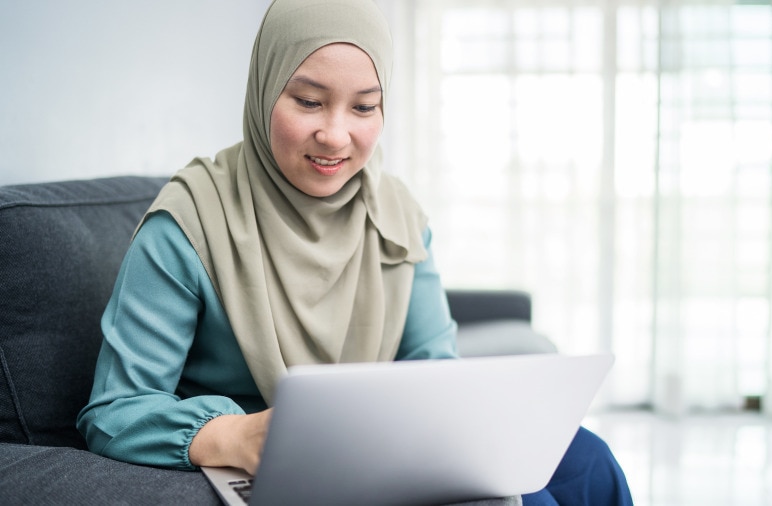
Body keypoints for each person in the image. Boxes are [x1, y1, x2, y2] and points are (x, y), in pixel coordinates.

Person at [76, 0, 633, 504]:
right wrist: (236, 434)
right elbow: (113, 412)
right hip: (280, 468)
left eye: (364, 107)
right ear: (266, 88)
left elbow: (434, 368)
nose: (336, 135)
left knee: (591, 466)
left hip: (386, 447)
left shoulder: (396, 214)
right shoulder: (190, 221)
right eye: (310, 101)